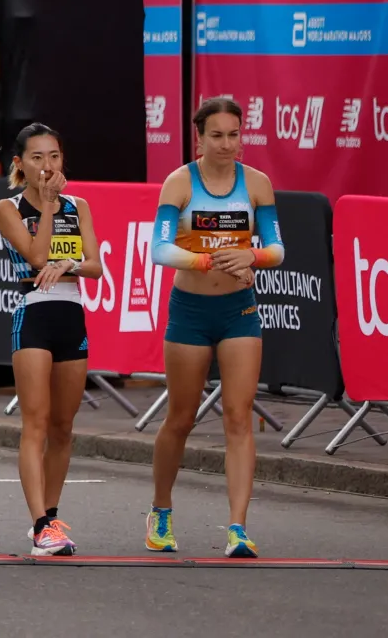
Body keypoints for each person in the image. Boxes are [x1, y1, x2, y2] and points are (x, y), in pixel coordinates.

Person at [147, 96, 281, 559]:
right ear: (199, 138)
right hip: (190, 312)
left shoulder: (258, 184)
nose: (228, 145)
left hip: (239, 310)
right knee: (181, 418)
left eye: (235, 135)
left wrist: (253, 255)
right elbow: (160, 251)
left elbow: (277, 249)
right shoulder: (179, 183)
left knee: (238, 417)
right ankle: (161, 511)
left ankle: (238, 527)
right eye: (218, 136)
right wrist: (212, 259)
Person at [0, 122, 100, 557]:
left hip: (70, 313)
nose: (47, 165)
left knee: (63, 426)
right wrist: (50, 207)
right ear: (20, 164)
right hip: (32, 314)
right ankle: (40, 524)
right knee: (35, 423)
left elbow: (95, 266)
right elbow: (36, 257)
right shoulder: (9, 207)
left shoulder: (81, 205)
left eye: (54, 156)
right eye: (37, 158)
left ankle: (52, 513)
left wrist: (70, 266)